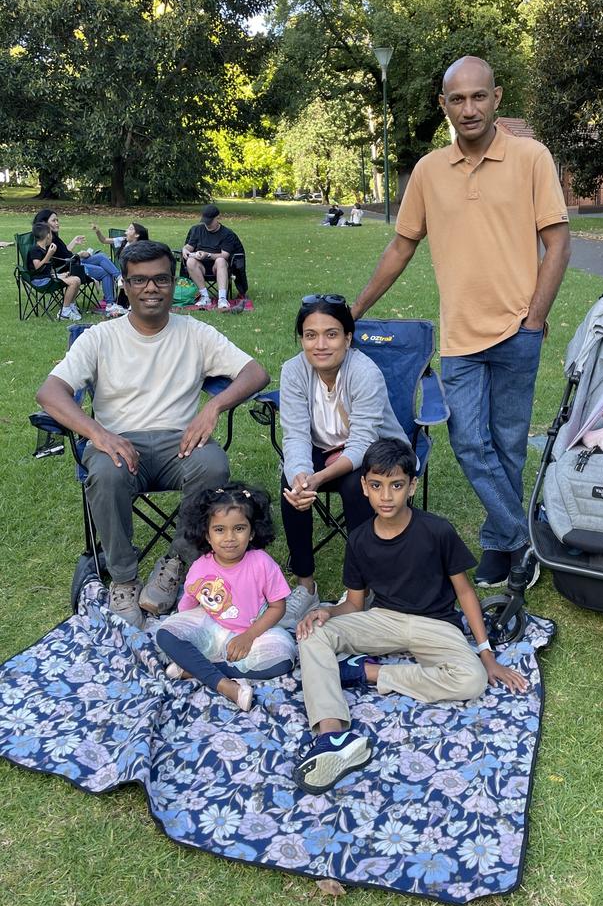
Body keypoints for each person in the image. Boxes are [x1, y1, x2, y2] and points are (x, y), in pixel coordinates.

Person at [351, 55, 571, 588]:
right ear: (444, 105)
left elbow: (558, 242)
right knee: (469, 442)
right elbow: (402, 246)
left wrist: (534, 318)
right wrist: (353, 311)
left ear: (496, 98)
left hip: (519, 330)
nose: (469, 108)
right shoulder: (428, 171)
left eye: (478, 96)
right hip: (460, 339)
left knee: (509, 445)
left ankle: (500, 544)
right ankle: (524, 538)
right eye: (458, 99)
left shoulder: (530, 157)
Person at [36, 240, 270, 629]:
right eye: (139, 280)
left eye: (160, 279)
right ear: (124, 286)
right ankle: (124, 579)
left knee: (213, 464)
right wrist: (97, 432)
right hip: (118, 442)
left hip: (179, 443)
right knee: (107, 474)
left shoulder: (196, 333)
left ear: (173, 281)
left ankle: (176, 563)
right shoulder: (100, 337)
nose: (150, 288)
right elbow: (50, 392)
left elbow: (255, 373)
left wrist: (212, 407)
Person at [293, 438, 528, 794]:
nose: (386, 496)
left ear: (412, 486)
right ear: (364, 487)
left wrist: (487, 654)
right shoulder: (358, 539)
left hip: (436, 624)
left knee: (472, 681)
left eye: (396, 485)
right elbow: (355, 603)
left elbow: (465, 591)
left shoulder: (437, 530)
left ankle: (366, 672)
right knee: (311, 634)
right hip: (383, 619)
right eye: (376, 485)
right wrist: (326, 612)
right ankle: (333, 737)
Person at [279, 293, 408, 629]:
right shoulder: (293, 372)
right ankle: (305, 585)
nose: (320, 344)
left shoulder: (365, 372)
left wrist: (319, 478)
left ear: (348, 338)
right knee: (289, 487)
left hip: (377, 450)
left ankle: (362, 590)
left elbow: (363, 442)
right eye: (311, 335)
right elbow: (295, 437)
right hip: (323, 449)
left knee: (356, 485)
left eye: (331, 334)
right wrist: (300, 478)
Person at [156, 483, 296, 712]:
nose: (229, 537)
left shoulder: (262, 563)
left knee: (283, 659)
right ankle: (224, 685)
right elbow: (188, 609)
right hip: (212, 632)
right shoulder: (200, 567)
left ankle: (198, 669)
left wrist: (249, 636)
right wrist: (187, 632)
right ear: (207, 535)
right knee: (165, 634)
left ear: (252, 532)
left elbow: (278, 607)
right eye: (220, 530)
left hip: (253, 633)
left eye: (239, 528)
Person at [33, 209, 123, 317]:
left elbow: (63, 254)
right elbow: (59, 261)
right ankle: (110, 303)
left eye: (57, 220)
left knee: (101, 257)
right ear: (44, 223)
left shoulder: (53, 236)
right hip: (68, 267)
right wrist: (79, 255)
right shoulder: (48, 239)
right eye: (53, 220)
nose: (57, 223)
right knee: (104, 272)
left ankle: (118, 278)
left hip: (72, 262)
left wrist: (74, 243)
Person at [181, 204, 248, 313]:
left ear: (217, 218)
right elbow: (189, 246)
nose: (207, 225)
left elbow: (225, 255)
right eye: (205, 221)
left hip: (218, 267)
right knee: (191, 261)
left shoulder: (227, 234)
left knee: (220, 260)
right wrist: (185, 250)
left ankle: (222, 299)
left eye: (210, 221)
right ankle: (205, 297)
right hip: (200, 267)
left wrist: (207, 255)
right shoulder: (197, 229)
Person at [27, 221, 82, 321]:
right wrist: (49, 254)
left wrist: (59, 275)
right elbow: (38, 268)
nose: (52, 236)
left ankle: (70, 306)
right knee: (73, 282)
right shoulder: (35, 250)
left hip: (48, 278)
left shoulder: (46, 249)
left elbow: (49, 270)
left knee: (77, 279)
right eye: (51, 233)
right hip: (39, 281)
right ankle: (64, 312)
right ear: (48, 235)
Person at [91, 221, 150, 309]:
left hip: (135, 274)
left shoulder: (142, 248)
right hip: (124, 274)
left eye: (130, 229)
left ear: (137, 235)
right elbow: (104, 240)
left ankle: (119, 300)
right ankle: (118, 279)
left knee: (102, 258)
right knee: (102, 258)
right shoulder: (123, 240)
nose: (126, 230)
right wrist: (98, 231)